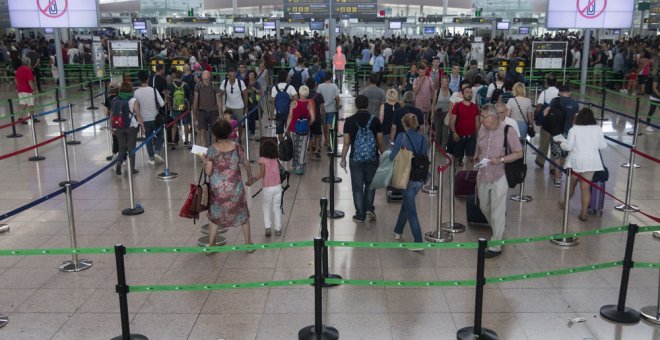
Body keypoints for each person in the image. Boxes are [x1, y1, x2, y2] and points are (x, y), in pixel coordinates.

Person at [474, 104, 523, 258]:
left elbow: (519, 153)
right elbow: (479, 145)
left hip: (500, 174)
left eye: (483, 117)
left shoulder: (508, 131)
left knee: (497, 210)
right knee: (484, 207)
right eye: (481, 116)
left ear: (494, 118)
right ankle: (498, 230)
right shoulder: (483, 129)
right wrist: (477, 155)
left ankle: (496, 245)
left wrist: (500, 159)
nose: (481, 120)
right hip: (483, 174)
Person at [204, 118, 255, 251]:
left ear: (215, 134)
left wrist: (205, 162)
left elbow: (208, 172)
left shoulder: (211, 150)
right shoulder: (237, 147)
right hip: (235, 189)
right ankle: (248, 244)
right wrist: (250, 177)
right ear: (229, 132)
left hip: (218, 191)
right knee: (243, 215)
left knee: (214, 217)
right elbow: (246, 163)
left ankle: (211, 245)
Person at [555, 108, 607, 222]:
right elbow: (603, 146)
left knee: (571, 185)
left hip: (576, 162)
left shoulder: (574, 129)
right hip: (592, 163)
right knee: (585, 188)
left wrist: (561, 142)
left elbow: (568, 147)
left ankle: (565, 204)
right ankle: (583, 213)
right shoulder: (597, 128)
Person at [341, 95, 385, 223]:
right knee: (371, 184)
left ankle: (360, 214)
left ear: (356, 105)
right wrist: (384, 155)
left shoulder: (349, 121)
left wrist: (343, 158)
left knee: (357, 186)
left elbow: (346, 142)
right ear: (367, 105)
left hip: (356, 158)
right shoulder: (375, 121)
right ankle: (369, 208)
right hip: (372, 158)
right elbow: (380, 142)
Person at [391, 113, 428, 251]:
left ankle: (418, 242)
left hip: (406, 178)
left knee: (412, 211)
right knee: (407, 204)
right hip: (419, 177)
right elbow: (424, 156)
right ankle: (398, 230)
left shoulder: (402, 137)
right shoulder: (423, 138)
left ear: (405, 124)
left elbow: (392, 156)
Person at [544, 84, 579, 187]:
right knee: (564, 154)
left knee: (556, 155)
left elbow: (545, 113)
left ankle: (557, 179)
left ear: (559, 92)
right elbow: (576, 119)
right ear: (569, 92)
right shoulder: (574, 103)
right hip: (569, 132)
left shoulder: (555, 100)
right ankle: (561, 175)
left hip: (556, 131)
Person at [251, 140, 283, 236]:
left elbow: (262, 173)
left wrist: (253, 180)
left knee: (266, 206)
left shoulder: (262, 160)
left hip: (267, 188)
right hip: (278, 187)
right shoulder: (276, 159)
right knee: (277, 207)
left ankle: (268, 227)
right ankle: (278, 228)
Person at [133, 70, 165, 165]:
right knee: (160, 135)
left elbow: (136, 107)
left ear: (139, 79)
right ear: (147, 78)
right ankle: (157, 152)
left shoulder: (136, 93)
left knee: (148, 139)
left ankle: (151, 158)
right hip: (155, 118)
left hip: (144, 119)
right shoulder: (153, 90)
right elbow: (162, 104)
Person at [112, 82, 145, 175]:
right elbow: (138, 115)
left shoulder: (115, 99)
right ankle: (132, 168)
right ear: (131, 89)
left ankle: (119, 163)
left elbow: (112, 115)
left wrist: (112, 128)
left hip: (118, 127)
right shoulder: (133, 100)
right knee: (131, 147)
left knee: (121, 147)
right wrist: (142, 127)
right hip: (131, 127)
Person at [286, 85, 316, 174]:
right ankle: (300, 168)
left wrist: (286, 128)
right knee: (303, 147)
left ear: (299, 92)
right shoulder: (309, 103)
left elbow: (290, 117)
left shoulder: (294, 103)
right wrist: (307, 124)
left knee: (294, 146)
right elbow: (313, 118)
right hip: (305, 129)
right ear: (307, 94)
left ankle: (294, 165)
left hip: (293, 128)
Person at [449, 86, 479, 167]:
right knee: (456, 157)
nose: (469, 94)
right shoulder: (457, 106)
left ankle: (469, 177)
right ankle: (454, 175)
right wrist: (454, 133)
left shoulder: (475, 107)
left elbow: (477, 122)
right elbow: (452, 121)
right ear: (463, 94)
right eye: (467, 92)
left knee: (470, 158)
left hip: (471, 136)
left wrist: (478, 135)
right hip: (459, 136)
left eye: (471, 92)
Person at [534, 74, 559, 169]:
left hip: (546, 122)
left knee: (544, 142)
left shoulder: (544, 93)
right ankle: (553, 167)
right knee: (555, 144)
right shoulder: (559, 92)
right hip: (557, 122)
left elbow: (539, 107)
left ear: (547, 82)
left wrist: (536, 118)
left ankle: (540, 161)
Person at [192, 70, 222, 147]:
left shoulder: (214, 86)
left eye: (207, 79)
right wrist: (194, 113)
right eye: (205, 79)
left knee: (214, 132)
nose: (206, 81)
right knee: (202, 132)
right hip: (202, 111)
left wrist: (221, 114)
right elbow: (195, 100)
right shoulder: (198, 86)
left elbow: (219, 101)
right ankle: (204, 153)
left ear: (210, 77)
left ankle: (212, 152)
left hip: (213, 112)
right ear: (202, 78)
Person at [219, 67, 248, 143]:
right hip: (228, 107)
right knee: (228, 124)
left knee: (239, 124)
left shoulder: (240, 83)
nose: (232, 78)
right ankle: (228, 138)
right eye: (230, 76)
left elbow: (245, 94)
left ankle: (239, 139)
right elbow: (219, 95)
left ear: (236, 75)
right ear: (228, 75)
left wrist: (246, 106)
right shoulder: (224, 83)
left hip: (239, 107)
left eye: (234, 76)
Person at [271, 70, 299, 141]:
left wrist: (272, 114)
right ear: (286, 77)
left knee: (279, 132)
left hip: (278, 113)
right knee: (288, 131)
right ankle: (289, 147)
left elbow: (273, 102)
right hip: (288, 113)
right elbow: (296, 98)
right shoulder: (290, 87)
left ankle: (282, 147)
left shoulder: (274, 88)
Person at [168, 70, 191, 150]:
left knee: (174, 125)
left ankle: (173, 142)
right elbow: (189, 97)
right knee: (185, 124)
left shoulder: (171, 85)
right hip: (184, 108)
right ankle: (187, 142)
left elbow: (169, 96)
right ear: (182, 76)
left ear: (175, 75)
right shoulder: (185, 85)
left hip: (175, 108)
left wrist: (169, 105)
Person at [317, 71, 341, 149]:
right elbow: (337, 98)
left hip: (322, 109)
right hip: (331, 109)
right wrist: (337, 105)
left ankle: (326, 140)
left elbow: (318, 97)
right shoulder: (334, 86)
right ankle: (330, 141)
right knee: (329, 125)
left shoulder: (320, 86)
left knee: (324, 125)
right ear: (331, 78)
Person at [305, 78, 325, 160]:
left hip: (307, 118)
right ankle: (317, 150)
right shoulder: (318, 95)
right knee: (318, 134)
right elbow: (322, 107)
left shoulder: (305, 95)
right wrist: (323, 116)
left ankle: (310, 153)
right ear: (315, 85)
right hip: (316, 117)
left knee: (309, 135)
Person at [432, 74, 453, 147]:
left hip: (447, 114)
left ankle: (443, 147)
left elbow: (452, 104)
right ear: (440, 82)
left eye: (445, 81)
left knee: (445, 131)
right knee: (438, 131)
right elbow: (434, 103)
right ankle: (437, 146)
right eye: (442, 81)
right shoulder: (437, 91)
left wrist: (451, 115)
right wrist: (432, 114)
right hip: (438, 113)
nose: (444, 83)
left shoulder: (451, 91)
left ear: (448, 82)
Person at [413, 61, 435, 128]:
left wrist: (432, 97)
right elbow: (415, 93)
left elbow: (434, 89)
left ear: (425, 72)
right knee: (418, 122)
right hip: (418, 104)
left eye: (423, 72)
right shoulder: (415, 80)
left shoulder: (429, 79)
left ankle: (424, 135)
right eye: (420, 72)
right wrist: (419, 85)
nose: (421, 74)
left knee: (425, 121)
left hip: (427, 103)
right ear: (418, 72)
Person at [15, 57, 37, 123]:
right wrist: (33, 89)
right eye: (29, 62)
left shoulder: (19, 69)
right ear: (28, 62)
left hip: (20, 89)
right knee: (31, 104)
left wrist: (17, 86)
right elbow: (30, 81)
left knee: (23, 104)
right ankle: (32, 117)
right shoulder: (28, 70)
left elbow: (15, 79)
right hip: (27, 90)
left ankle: (20, 117)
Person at [104, 83, 120, 159]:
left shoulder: (108, 99)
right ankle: (122, 153)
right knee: (121, 136)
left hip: (113, 119)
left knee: (114, 136)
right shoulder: (119, 98)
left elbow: (107, 111)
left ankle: (114, 153)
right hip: (120, 118)